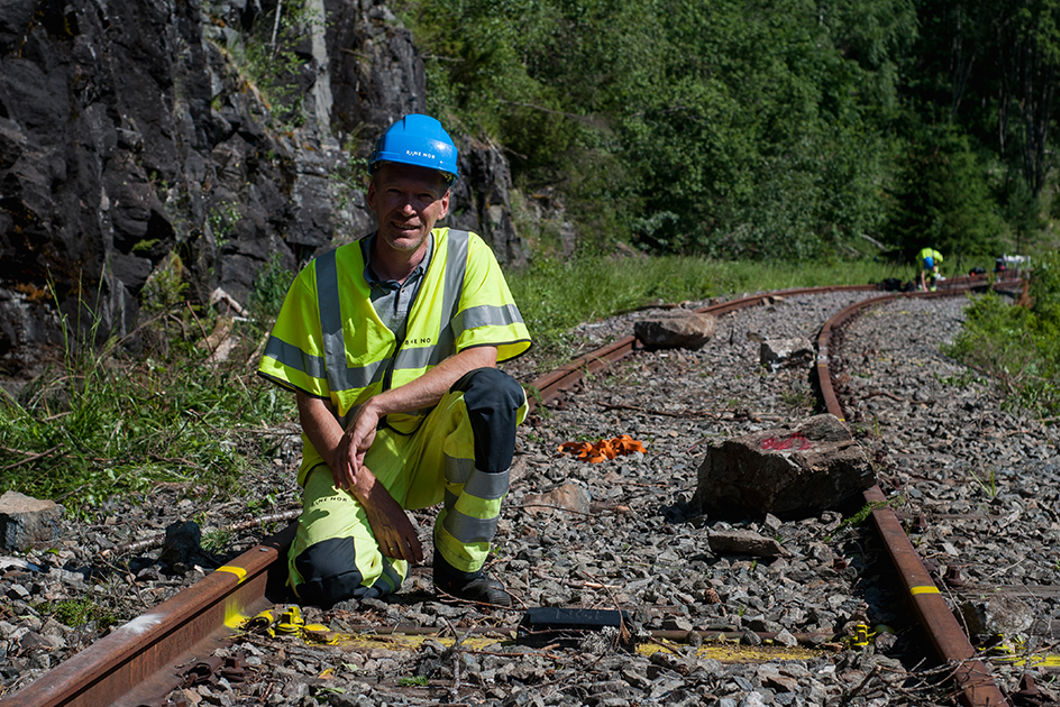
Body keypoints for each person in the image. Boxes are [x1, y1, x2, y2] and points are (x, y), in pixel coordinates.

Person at [258, 114, 531, 609]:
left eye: (423, 196)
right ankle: (389, 557)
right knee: (325, 581)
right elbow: (310, 402)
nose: (408, 208)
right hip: (348, 457)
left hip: (433, 444)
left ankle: (459, 566)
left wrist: (379, 405)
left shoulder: (468, 257)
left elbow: (481, 357)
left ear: (443, 204)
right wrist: (372, 494)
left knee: (494, 393)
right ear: (370, 195)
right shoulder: (319, 280)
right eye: (394, 192)